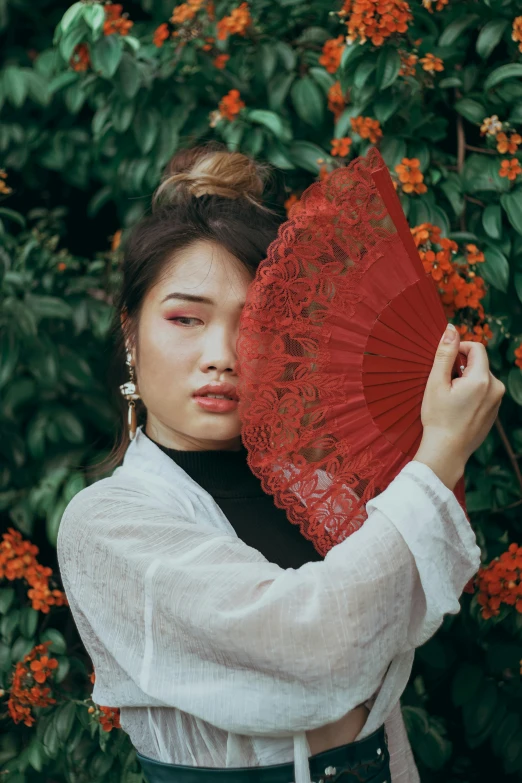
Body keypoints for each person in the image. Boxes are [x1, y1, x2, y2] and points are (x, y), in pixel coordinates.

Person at [56, 142, 505, 783]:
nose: (221, 355)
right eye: (186, 318)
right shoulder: (108, 522)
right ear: (130, 332)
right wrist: (436, 460)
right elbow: (315, 645)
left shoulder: (324, 491)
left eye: (250, 326)